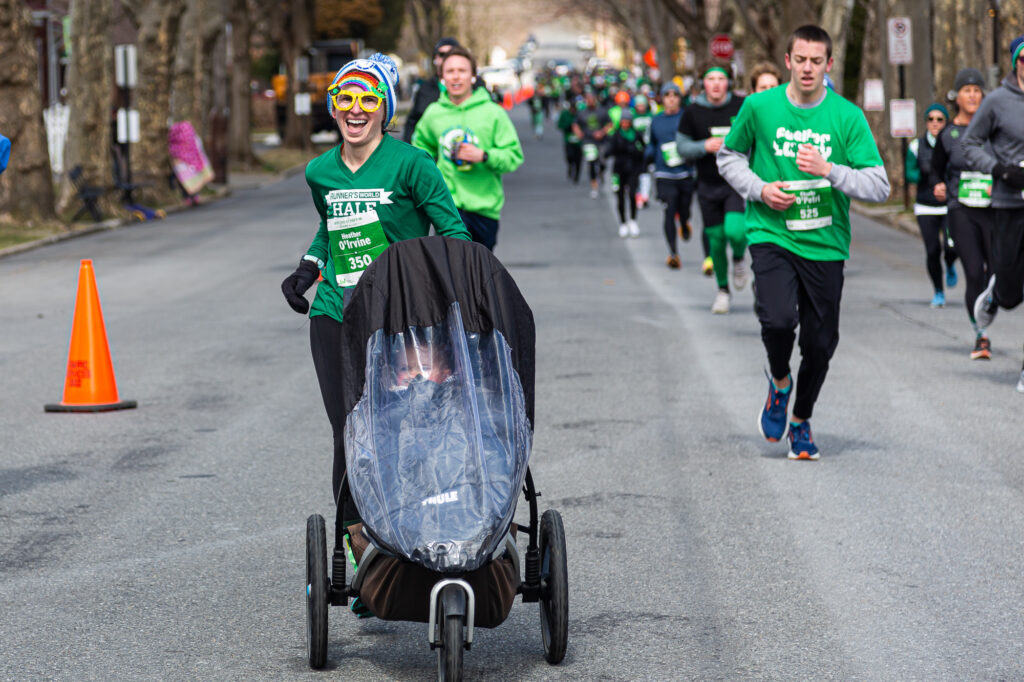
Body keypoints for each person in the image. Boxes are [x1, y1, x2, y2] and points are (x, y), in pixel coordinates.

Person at [279, 53, 471, 533]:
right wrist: (308, 267)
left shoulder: (412, 164)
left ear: (385, 108)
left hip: (402, 315)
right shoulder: (319, 171)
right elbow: (330, 225)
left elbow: (454, 232)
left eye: (369, 98)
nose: (356, 108)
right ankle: (358, 547)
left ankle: (427, 529)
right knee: (351, 433)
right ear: (333, 106)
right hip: (335, 315)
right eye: (346, 98)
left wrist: (455, 284)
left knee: (416, 428)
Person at [717, 24, 890, 459]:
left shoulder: (847, 116)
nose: (808, 68)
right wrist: (759, 189)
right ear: (788, 61)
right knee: (776, 320)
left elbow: (879, 185)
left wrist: (829, 169)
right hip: (772, 232)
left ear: (828, 64)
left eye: (817, 61)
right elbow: (729, 157)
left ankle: (801, 419)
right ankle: (779, 382)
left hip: (825, 242)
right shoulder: (759, 106)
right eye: (801, 60)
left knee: (819, 343)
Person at [412, 46, 524, 252]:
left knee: (479, 276)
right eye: (450, 71)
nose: (456, 77)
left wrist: (484, 155)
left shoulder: (492, 113)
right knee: (453, 275)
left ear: (473, 76)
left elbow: (513, 156)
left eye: (462, 71)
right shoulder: (433, 113)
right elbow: (418, 154)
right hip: (447, 209)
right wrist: (434, 174)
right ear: (442, 78)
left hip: (484, 210)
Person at [963, 34, 1024, 393]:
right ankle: (996, 294)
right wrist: (999, 169)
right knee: (1012, 292)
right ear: (1016, 62)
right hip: (1008, 205)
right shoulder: (997, 102)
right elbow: (969, 144)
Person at [931, 68, 993, 358]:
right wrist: (938, 185)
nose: (972, 95)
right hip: (960, 209)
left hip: (993, 210)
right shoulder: (948, 134)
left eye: (977, 90)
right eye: (967, 90)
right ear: (958, 97)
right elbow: (935, 169)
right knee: (974, 273)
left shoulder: (995, 130)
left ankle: (990, 305)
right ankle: (980, 335)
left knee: (996, 273)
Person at [678, 61, 748, 314]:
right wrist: (703, 146)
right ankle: (723, 290)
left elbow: (756, 136)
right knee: (716, 242)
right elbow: (681, 147)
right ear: (703, 83)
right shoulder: (693, 111)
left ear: (728, 82)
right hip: (707, 183)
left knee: (737, 231)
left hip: (736, 182)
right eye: (711, 79)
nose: (716, 84)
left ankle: (739, 258)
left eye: (721, 79)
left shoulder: (741, 106)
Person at [906, 103, 958, 308]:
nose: (935, 123)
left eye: (939, 119)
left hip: (949, 204)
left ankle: (951, 262)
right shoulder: (915, 146)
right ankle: (938, 291)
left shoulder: (953, 142)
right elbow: (909, 173)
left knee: (951, 245)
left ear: (946, 122)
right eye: (931, 119)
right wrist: (925, 173)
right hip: (925, 205)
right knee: (932, 250)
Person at [646, 82, 695, 269]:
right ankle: (673, 253)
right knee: (668, 210)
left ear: (680, 99)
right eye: (667, 95)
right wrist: (647, 155)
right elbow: (651, 142)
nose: (671, 98)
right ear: (662, 98)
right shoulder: (656, 120)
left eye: (675, 95)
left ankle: (684, 221)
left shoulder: (686, 117)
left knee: (684, 209)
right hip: (664, 173)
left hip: (685, 172)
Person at [402, 37, 459, 143]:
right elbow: (412, 122)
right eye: (442, 54)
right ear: (435, 59)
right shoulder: (425, 90)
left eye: (452, 53)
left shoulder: (476, 87)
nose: (447, 58)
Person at [608, 110, 645, 238]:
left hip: (633, 169)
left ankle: (633, 220)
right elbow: (610, 150)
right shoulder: (616, 135)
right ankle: (623, 222)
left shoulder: (636, 134)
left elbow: (643, 149)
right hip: (619, 170)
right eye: (623, 121)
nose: (625, 123)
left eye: (627, 121)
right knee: (620, 196)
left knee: (632, 195)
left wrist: (637, 152)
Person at [572, 90, 613, 199]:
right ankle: (594, 185)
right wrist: (578, 133)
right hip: (588, 141)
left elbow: (610, 124)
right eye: (587, 99)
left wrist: (602, 132)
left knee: (602, 162)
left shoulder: (602, 111)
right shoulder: (582, 113)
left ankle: (601, 173)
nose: (589, 101)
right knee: (591, 162)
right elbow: (575, 124)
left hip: (601, 141)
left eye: (591, 99)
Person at [556, 98, 583, 184]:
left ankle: (577, 176)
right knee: (569, 156)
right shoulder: (565, 114)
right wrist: (569, 126)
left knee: (578, 158)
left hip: (579, 141)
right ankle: (570, 168)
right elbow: (560, 125)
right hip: (569, 139)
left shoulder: (580, 114)